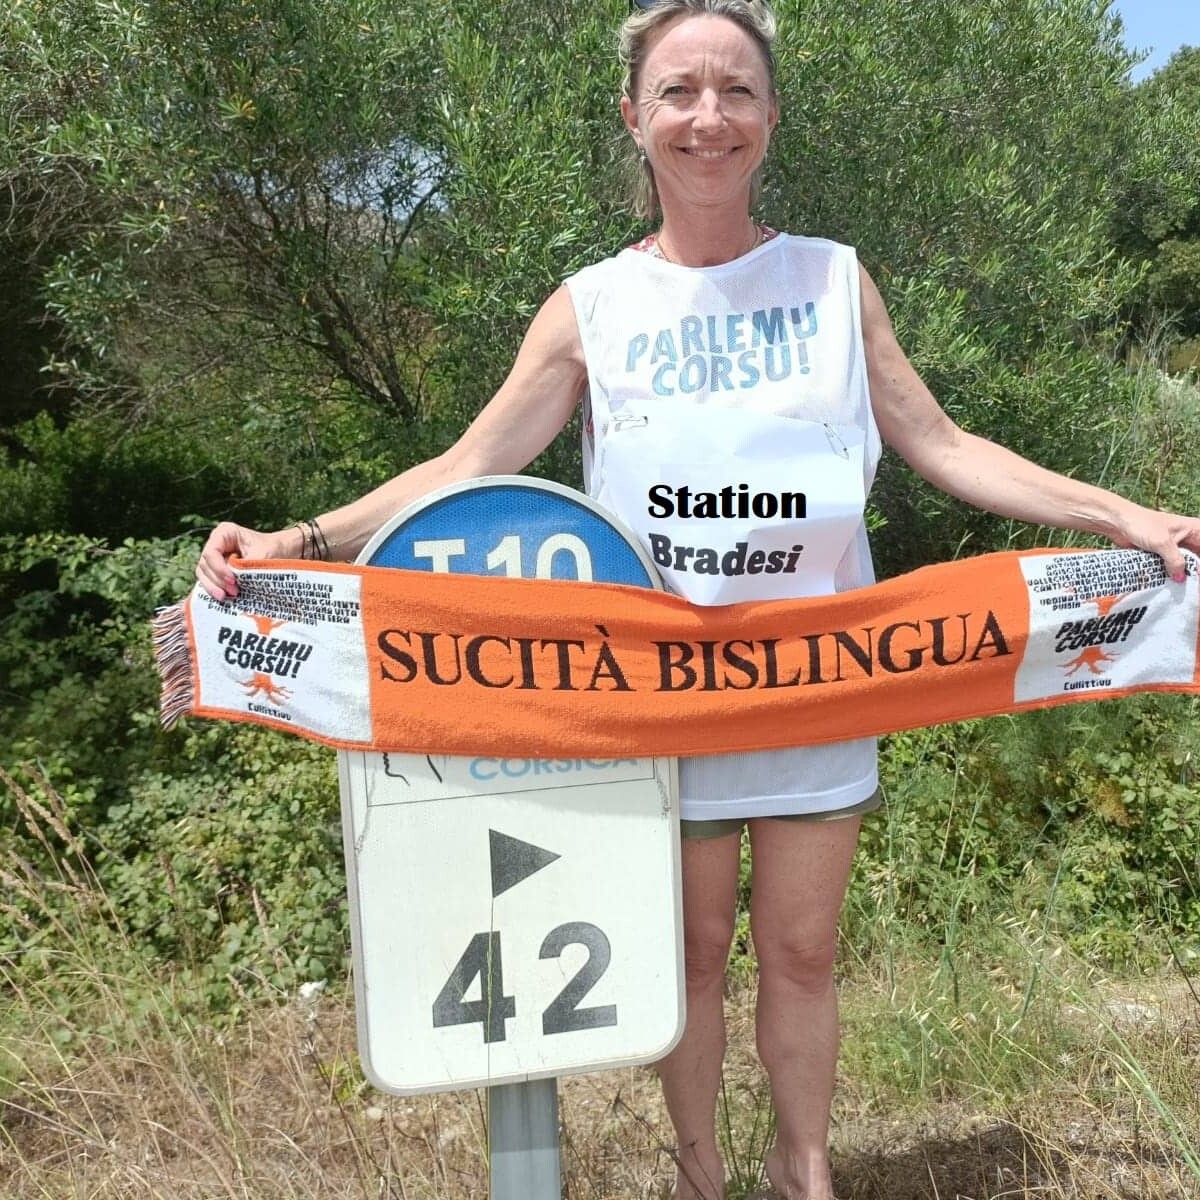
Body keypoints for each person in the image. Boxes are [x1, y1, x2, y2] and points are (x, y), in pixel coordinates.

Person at [197, 3, 1200, 1196]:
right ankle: (699, 1175)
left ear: (772, 115)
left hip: (823, 684)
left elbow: (944, 444)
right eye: (679, 91)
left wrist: (1122, 517)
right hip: (663, 700)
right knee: (688, 957)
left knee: (804, 952)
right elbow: (470, 465)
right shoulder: (590, 305)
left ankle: (803, 1172)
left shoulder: (834, 280)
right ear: (635, 116)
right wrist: (303, 539)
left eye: (736, 90)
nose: (707, 116)